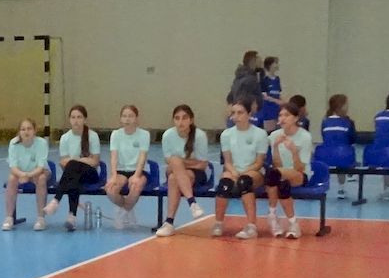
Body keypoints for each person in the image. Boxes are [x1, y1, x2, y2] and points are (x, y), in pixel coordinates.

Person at [213, 100, 268, 239]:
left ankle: (251, 226)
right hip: (234, 170)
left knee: (244, 181)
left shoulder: (260, 134)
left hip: (254, 171)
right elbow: (228, 162)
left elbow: (259, 162)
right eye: (233, 113)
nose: (236, 116)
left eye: (240, 112)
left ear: (249, 114)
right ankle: (218, 223)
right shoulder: (226, 135)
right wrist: (233, 172)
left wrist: (243, 172)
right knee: (224, 184)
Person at [43, 104, 101, 231]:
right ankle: (71, 217)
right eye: (73, 117)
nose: (76, 120)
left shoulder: (92, 136)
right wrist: (83, 160)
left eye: (79, 117)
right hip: (73, 175)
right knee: (73, 176)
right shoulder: (65, 138)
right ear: (69, 119)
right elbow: (63, 162)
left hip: (90, 175)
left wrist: (75, 160)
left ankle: (56, 201)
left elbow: (95, 162)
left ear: (85, 119)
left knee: (72, 166)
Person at [156, 104, 209, 237]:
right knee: (174, 162)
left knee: (174, 176)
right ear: (173, 120)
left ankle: (169, 223)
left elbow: (202, 165)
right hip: (176, 170)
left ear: (191, 120)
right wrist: (181, 163)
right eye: (177, 118)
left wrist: (179, 163)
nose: (181, 122)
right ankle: (192, 202)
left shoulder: (200, 136)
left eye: (184, 118)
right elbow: (168, 161)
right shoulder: (168, 135)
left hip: (196, 173)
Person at [265, 105, 313, 238]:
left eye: (286, 115)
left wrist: (294, 151)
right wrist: (275, 147)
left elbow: (300, 168)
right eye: (280, 115)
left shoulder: (305, 137)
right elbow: (277, 165)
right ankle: (292, 223)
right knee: (281, 182)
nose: (282, 118)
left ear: (296, 118)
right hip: (280, 174)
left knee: (275, 174)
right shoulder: (275, 135)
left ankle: (271, 214)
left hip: (299, 174)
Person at [104, 104, 150, 229]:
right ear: (120, 119)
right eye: (124, 116)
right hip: (121, 170)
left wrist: (136, 175)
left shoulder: (144, 135)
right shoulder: (116, 134)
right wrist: (114, 176)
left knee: (135, 186)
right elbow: (114, 157)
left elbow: (142, 157)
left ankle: (123, 213)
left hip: (139, 170)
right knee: (110, 189)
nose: (127, 119)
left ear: (136, 118)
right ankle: (129, 207)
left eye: (131, 116)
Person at [3, 117, 50, 231]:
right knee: (11, 179)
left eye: (29, 129)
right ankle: (9, 218)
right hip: (21, 173)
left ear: (34, 130)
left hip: (39, 172)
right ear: (19, 131)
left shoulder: (41, 143)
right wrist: (22, 174)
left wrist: (27, 176)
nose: (26, 132)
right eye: (23, 129)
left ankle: (41, 218)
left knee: (41, 178)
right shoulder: (13, 143)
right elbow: (13, 167)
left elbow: (40, 167)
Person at [320, 93, 355, 198]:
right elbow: (352, 139)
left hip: (325, 156)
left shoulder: (325, 122)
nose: (347, 107)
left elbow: (324, 137)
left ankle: (321, 184)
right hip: (343, 156)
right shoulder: (348, 122)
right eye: (346, 105)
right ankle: (341, 188)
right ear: (340, 106)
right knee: (344, 153)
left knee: (339, 151)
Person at [227, 49, 261, 118]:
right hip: (246, 114)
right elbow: (245, 98)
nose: (261, 61)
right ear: (253, 61)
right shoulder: (250, 79)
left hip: (239, 112)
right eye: (259, 59)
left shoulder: (239, 77)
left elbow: (230, 96)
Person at [254, 56, 283, 129]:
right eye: (275, 63)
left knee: (278, 128)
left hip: (277, 108)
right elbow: (264, 96)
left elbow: (278, 93)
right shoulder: (264, 80)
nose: (277, 65)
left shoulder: (277, 79)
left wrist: (283, 103)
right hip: (268, 109)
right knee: (270, 129)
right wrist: (276, 101)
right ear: (270, 65)